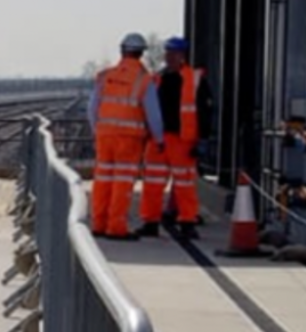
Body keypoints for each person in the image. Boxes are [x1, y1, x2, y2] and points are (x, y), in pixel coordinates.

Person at [88, 33, 164, 240]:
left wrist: (97, 130)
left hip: (105, 136)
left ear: (122, 51)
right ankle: (116, 226)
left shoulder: (105, 76)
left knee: (102, 179)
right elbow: (153, 114)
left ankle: (98, 223)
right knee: (122, 181)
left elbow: (92, 108)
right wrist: (159, 139)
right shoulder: (144, 80)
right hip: (129, 139)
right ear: (141, 54)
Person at [139, 36, 215, 237]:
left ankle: (187, 222)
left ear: (182, 55)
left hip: (183, 140)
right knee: (152, 183)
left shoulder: (195, 79)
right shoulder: (157, 79)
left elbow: (205, 111)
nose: (170, 57)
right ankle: (150, 222)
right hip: (158, 140)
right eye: (168, 53)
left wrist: (202, 138)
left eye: (174, 53)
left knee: (185, 184)